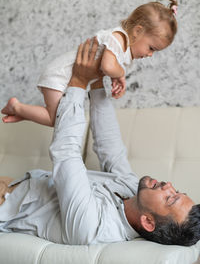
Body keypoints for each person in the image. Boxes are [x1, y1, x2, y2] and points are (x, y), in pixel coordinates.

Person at [0, 39, 200, 246]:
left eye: (170, 198)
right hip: (14, 183)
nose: (168, 186)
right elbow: (110, 148)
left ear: (148, 222)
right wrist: (97, 82)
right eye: (177, 191)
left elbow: (66, 152)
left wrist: (78, 81)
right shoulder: (133, 191)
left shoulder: (93, 227)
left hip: (5, 204)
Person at [1, 0, 178, 126]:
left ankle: (23, 112)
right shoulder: (118, 38)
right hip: (60, 74)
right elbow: (107, 66)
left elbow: (107, 66)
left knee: (55, 118)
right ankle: (17, 106)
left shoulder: (123, 47)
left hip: (66, 77)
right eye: (151, 48)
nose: (150, 55)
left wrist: (117, 78)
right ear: (138, 31)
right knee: (56, 119)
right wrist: (121, 73)